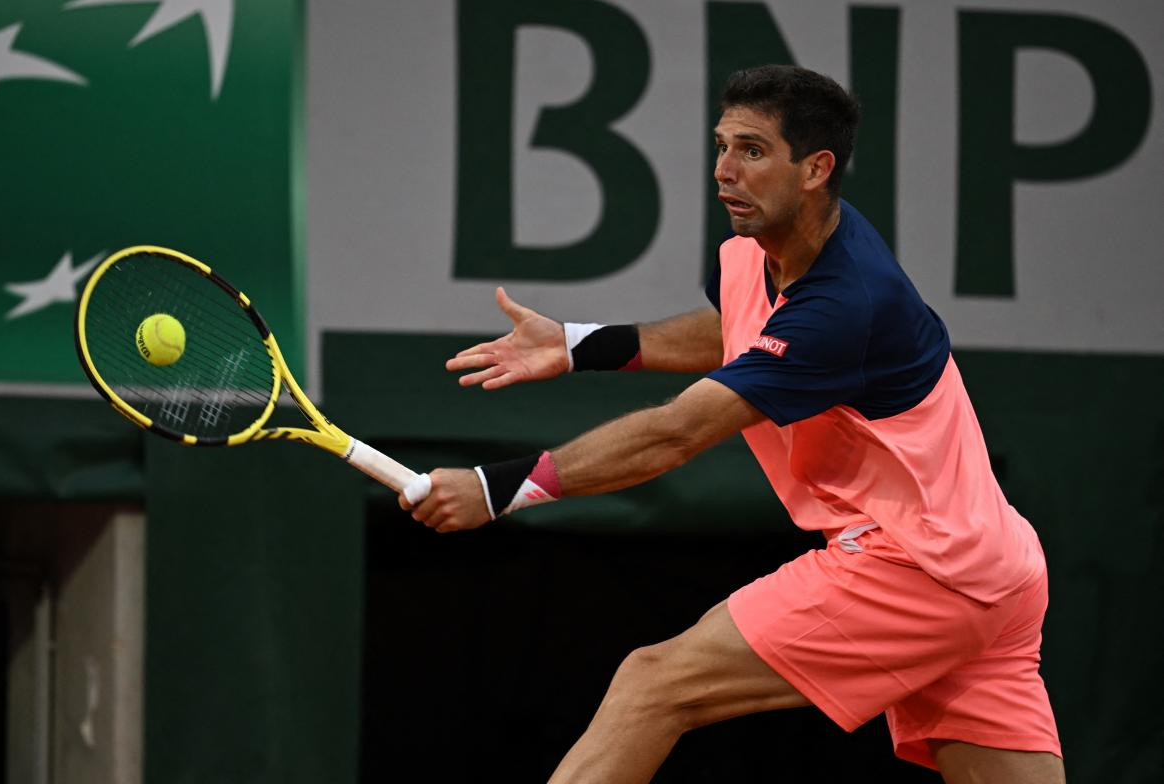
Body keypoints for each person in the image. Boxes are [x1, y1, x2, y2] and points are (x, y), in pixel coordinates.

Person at [399, 64, 1064, 783]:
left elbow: (674, 434)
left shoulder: (848, 303)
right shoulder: (767, 251)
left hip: (920, 566)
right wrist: (575, 343)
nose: (723, 171)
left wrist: (498, 490)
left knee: (653, 684)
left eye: (751, 150)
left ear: (816, 168)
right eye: (720, 146)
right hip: (996, 567)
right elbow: (736, 332)